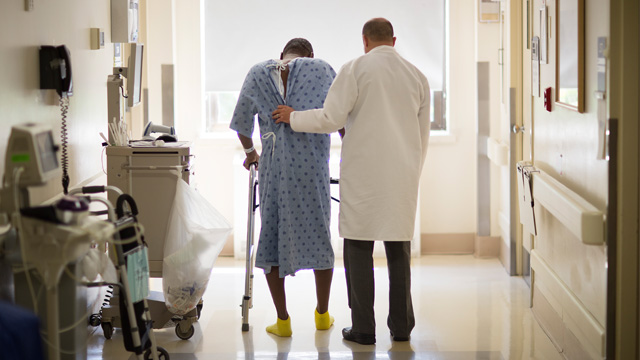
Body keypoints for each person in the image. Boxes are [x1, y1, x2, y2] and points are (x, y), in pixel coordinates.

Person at [272, 18, 430, 345]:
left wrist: (292, 116)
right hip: (402, 176)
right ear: (394, 40)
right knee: (399, 250)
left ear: (365, 41)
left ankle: (364, 329)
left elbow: (331, 118)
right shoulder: (418, 77)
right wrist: (413, 172)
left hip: (364, 176)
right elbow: (422, 137)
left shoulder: (356, 69)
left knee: (358, 250)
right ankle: (401, 328)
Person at [230, 38, 337, 337]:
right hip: (312, 168)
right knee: (319, 234)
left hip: (274, 170)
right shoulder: (323, 70)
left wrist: (252, 155)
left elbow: (241, 125)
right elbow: (341, 116)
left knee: (273, 238)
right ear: (310, 56)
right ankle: (322, 314)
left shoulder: (257, 72)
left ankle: (283, 321)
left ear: (282, 55)